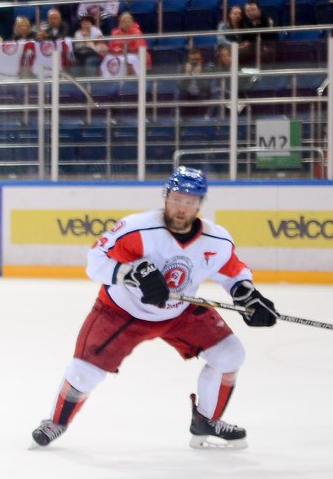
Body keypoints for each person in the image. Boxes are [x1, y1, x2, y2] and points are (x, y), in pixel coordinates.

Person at [31, 167, 276, 451]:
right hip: (121, 311)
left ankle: (207, 420)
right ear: (165, 197)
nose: (182, 207)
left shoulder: (216, 240)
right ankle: (56, 422)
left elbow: (233, 271)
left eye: (190, 201)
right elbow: (95, 262)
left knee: (231, 353)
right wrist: (132, 273)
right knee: (84, 372)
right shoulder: (137, 229)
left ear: (200, 203)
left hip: (179, 312)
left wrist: (247, 294)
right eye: (176, 198)